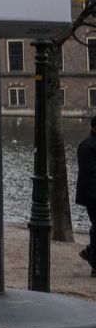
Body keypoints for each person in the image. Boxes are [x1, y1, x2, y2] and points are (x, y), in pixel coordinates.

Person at [76, 116, 96, 277]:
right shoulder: (87, 146)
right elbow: (89, 175)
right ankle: (93, 261)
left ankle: (90, 252)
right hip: (93, 196)